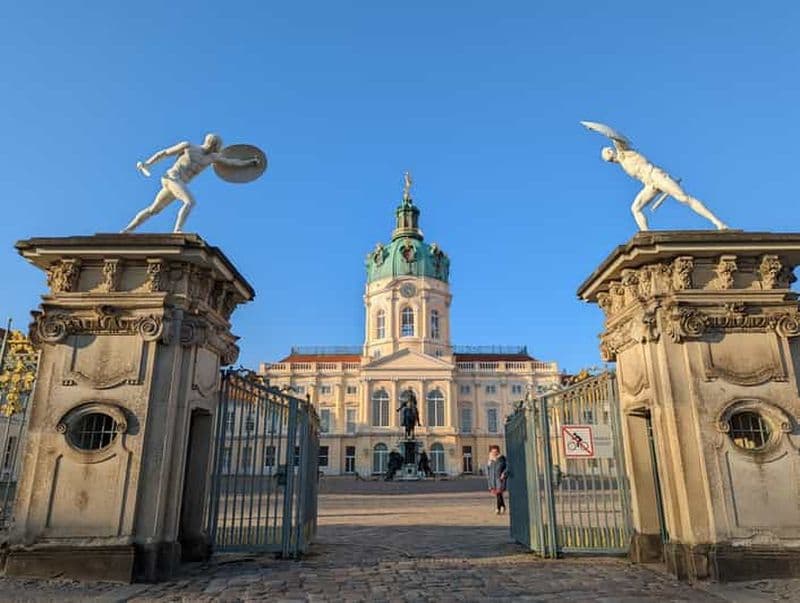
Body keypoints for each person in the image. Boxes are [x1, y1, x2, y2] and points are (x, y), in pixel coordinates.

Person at [123, 133, 260, 233]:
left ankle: (127, 230)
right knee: (190, 202)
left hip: (179, 183)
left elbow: (232, 163)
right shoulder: (188, 146)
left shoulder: (213, 157)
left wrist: (250, 162)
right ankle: (177, 230)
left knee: (154, 210)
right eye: (215, 145)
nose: (215, 148)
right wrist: (148, 163)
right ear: (211, 143)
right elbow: (164, 153)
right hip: (171, 177)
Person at [487, 445, 507, 514]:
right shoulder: (491, 460)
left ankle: (498, 508)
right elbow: (488, 471)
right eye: (492, 452)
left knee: (499, 493)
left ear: (498, 451)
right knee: (499, 495)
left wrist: (504, 473)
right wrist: (489, 482)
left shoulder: (502, 458)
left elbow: (507, 467)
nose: (494, 453)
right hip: (493, 480)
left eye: (495, 452)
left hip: (500, 479)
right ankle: (503, 506)